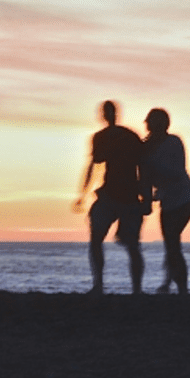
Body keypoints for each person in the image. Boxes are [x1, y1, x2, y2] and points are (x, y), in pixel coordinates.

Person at [72, 100, 146, 294]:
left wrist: (145, 197)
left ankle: (131, 288)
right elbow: (94, 165)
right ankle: (100, 285)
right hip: (113, 194)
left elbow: (143, 167)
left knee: (129, 245)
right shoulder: (116, 136)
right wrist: (83, 193)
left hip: (126, 195)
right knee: (101, 239)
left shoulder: (124, 136)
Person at [140, 107, 190, 295]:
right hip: (167, 200)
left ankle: (181, 287)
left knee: (172, 241)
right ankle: (169, 282)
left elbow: (178, 171)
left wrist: (154, 168)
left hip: (184, 198)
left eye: (149, 121)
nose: (146, 124)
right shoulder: (146, 148)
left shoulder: (173, 142)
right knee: (171, 243)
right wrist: (147, 199)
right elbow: (145, 178)